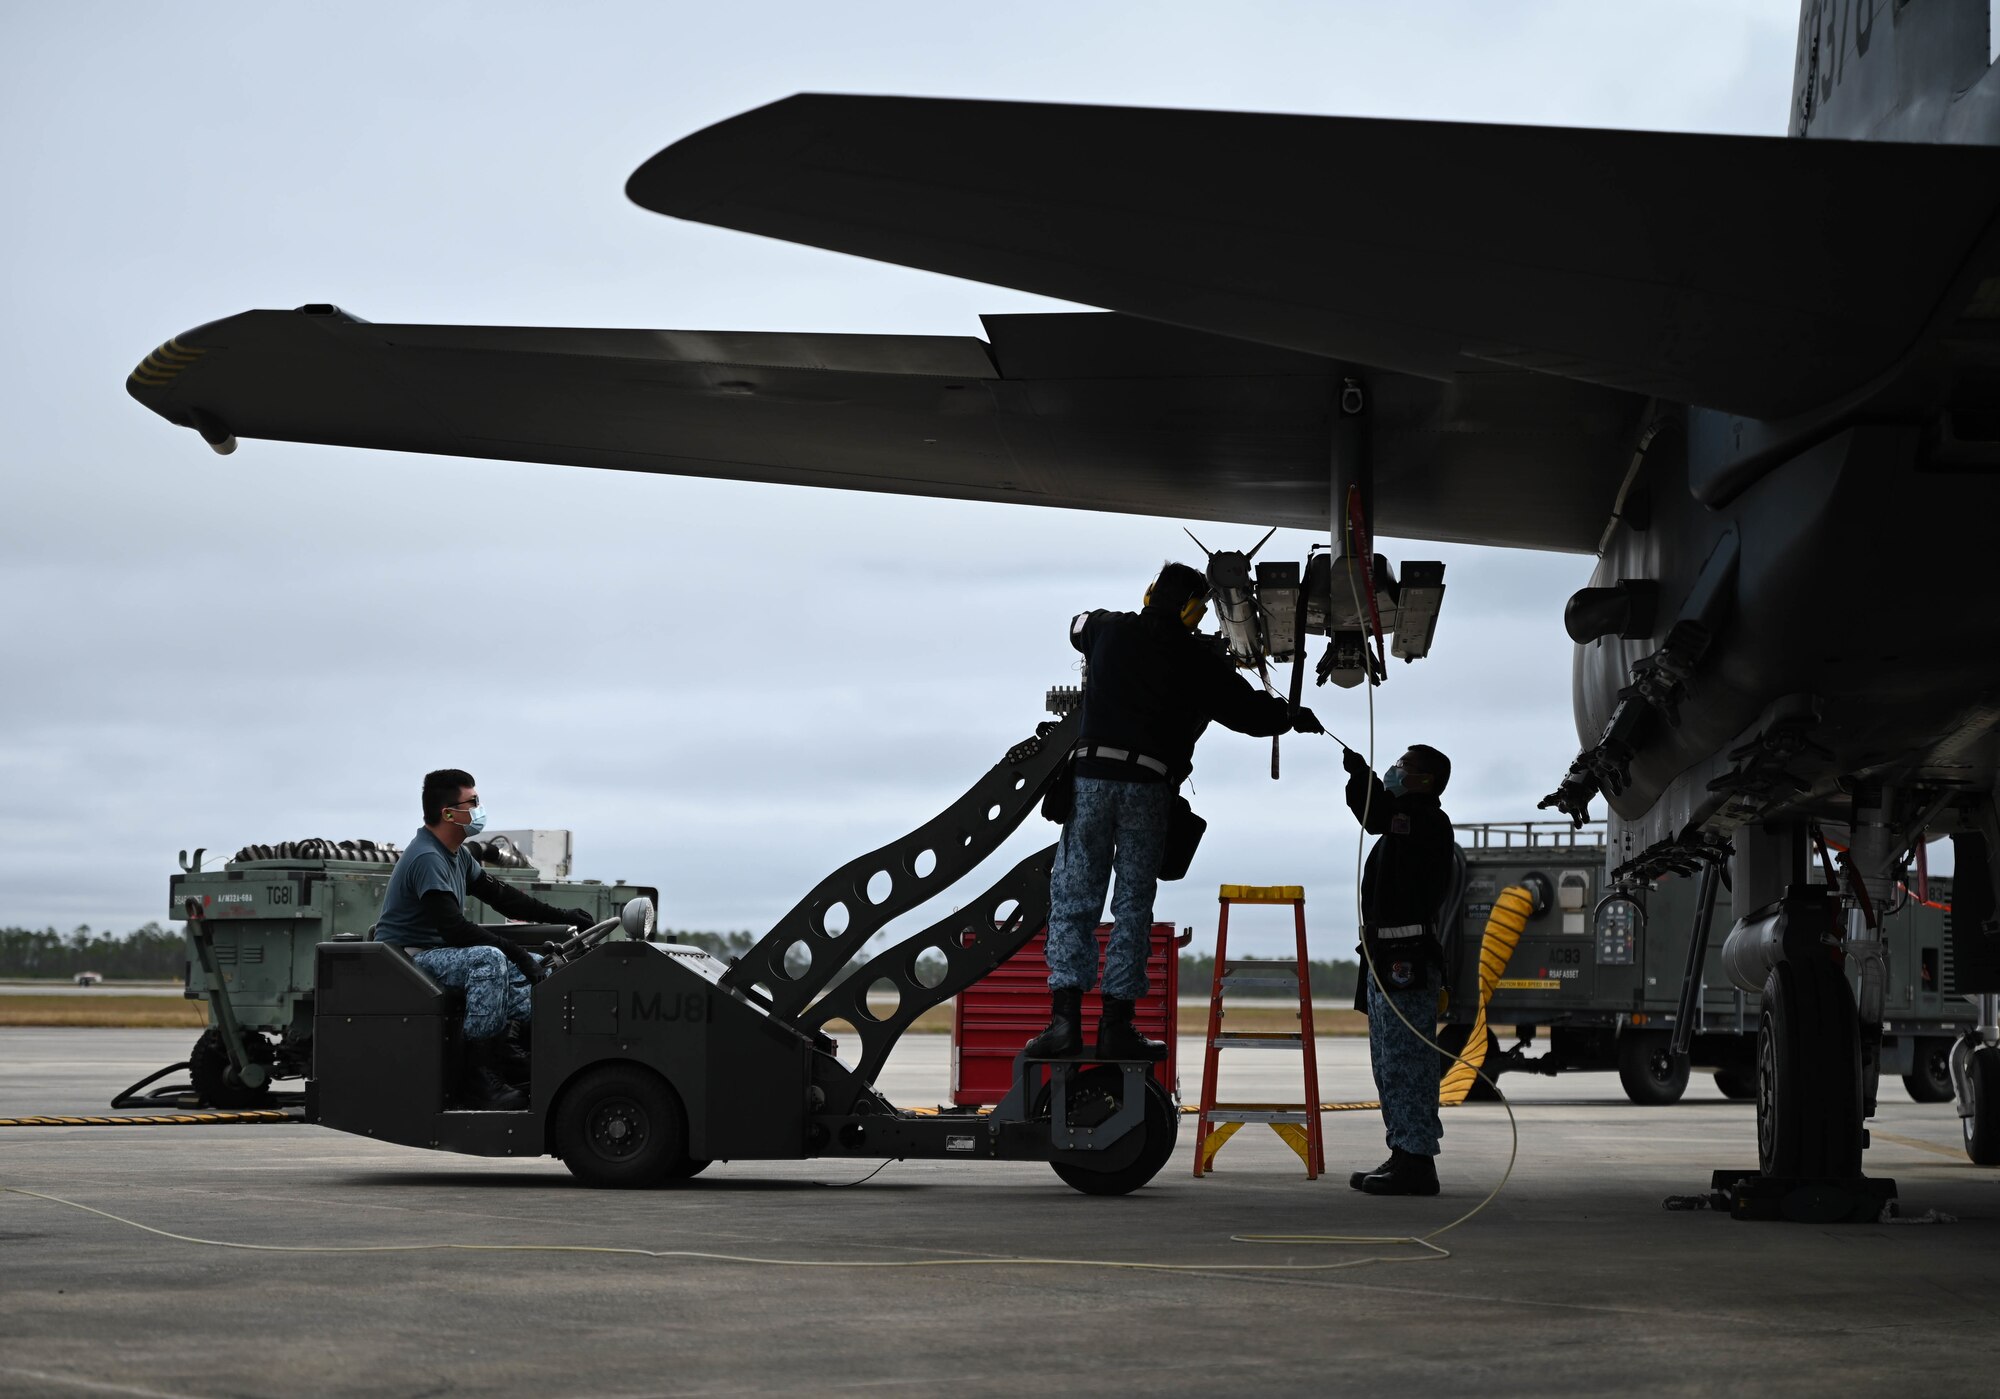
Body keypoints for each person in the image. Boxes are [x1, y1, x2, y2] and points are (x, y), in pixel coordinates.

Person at [1025, 562, 1323, 1060]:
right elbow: (1250, 716)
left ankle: (1064, 1023)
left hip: (1092, 783)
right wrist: (1291, 717)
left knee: (1075, 896)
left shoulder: (1108, 628)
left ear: (1148, 594)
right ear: (1194, 610)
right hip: (1147, 786)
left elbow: (1076, 625)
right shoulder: (1200, 661)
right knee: (1132, 905)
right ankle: (1117, 1025)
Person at [374, 768, 597, 1109]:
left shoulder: (458, 855)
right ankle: (478, 1076)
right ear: (449, 813)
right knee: (489, 960)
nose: (479, 809)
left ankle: (518, 1058)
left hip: (442, 954)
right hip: (412, 960)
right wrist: (518, 956)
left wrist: (564, 917)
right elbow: (454, 930)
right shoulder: (427, 857)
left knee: (543, 968)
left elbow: (504, 897)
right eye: (473, 802)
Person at [1342, 743, 1456, 1196]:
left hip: (1406, 959)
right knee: (1389, 1063)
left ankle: (1417, 1160)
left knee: (1408, 1063)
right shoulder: (1400, 827)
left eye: (1404, 765)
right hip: (1384, 959)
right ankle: (1403, 1151)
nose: (1395, 769)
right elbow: (1378, 816)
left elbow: (1376, 814)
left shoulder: (1425, 822)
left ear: (1424, 780)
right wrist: (1361, 778)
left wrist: (1362, 776)